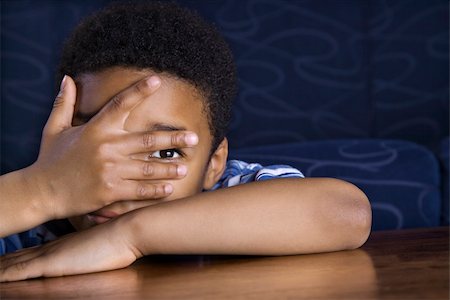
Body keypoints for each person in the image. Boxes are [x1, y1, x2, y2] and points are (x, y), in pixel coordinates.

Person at [0, 2, 371, 282]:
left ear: (214, 163)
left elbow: (346, 213)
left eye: (165, 152)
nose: (111, 177)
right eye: (89, 143)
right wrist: (44, 189)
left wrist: (128, 236)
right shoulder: (31, 227)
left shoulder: (234, 194)